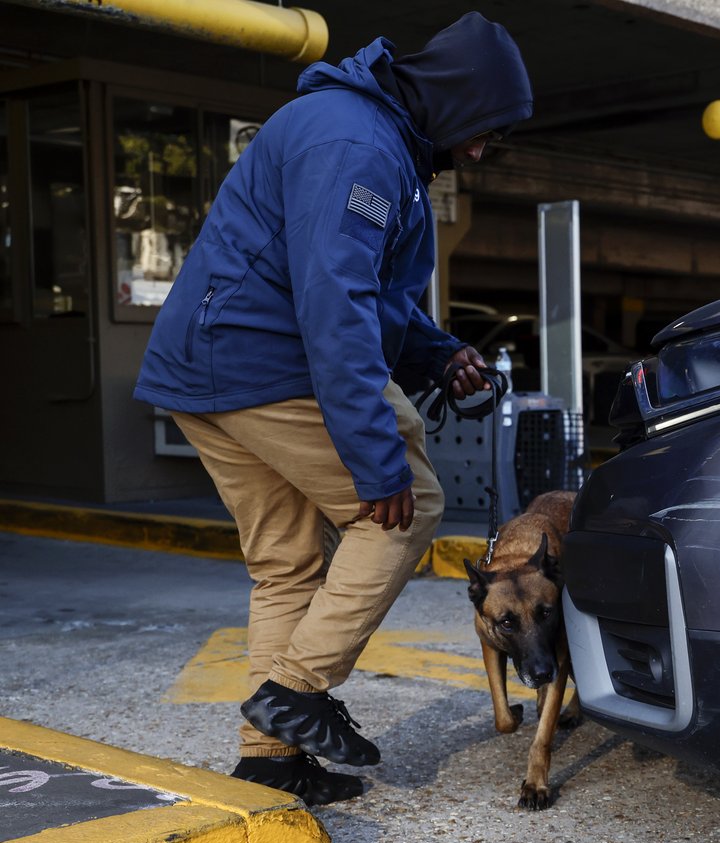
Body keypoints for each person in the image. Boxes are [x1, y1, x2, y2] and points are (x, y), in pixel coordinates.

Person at [134, 14, 533, 803]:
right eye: (486, 130)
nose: (483, 150)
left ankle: (270, 758)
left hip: (212, 370)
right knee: (406, 504)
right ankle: (295, 691)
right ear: (455, 100)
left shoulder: (366, 133)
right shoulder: (358, 148)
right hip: (263, 365)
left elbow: (367, 293)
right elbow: (335, 303)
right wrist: (374, 456)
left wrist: (434, 350)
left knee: (285, 566)